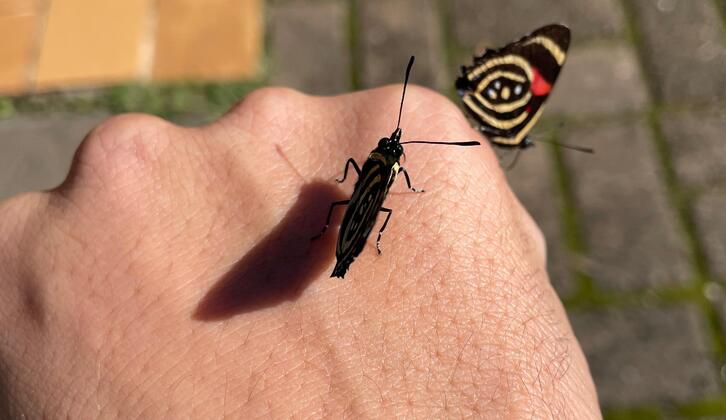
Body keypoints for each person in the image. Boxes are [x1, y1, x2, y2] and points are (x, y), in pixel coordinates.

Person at [0, 86, 599, 418]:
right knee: (364, 211)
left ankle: (343, 248)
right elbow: (370, 183)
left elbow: (360, 179)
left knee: (360, 212)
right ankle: (344, 248)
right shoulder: (386, 166)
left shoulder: (376, 164)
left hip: (348, 227)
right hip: (351, 227)